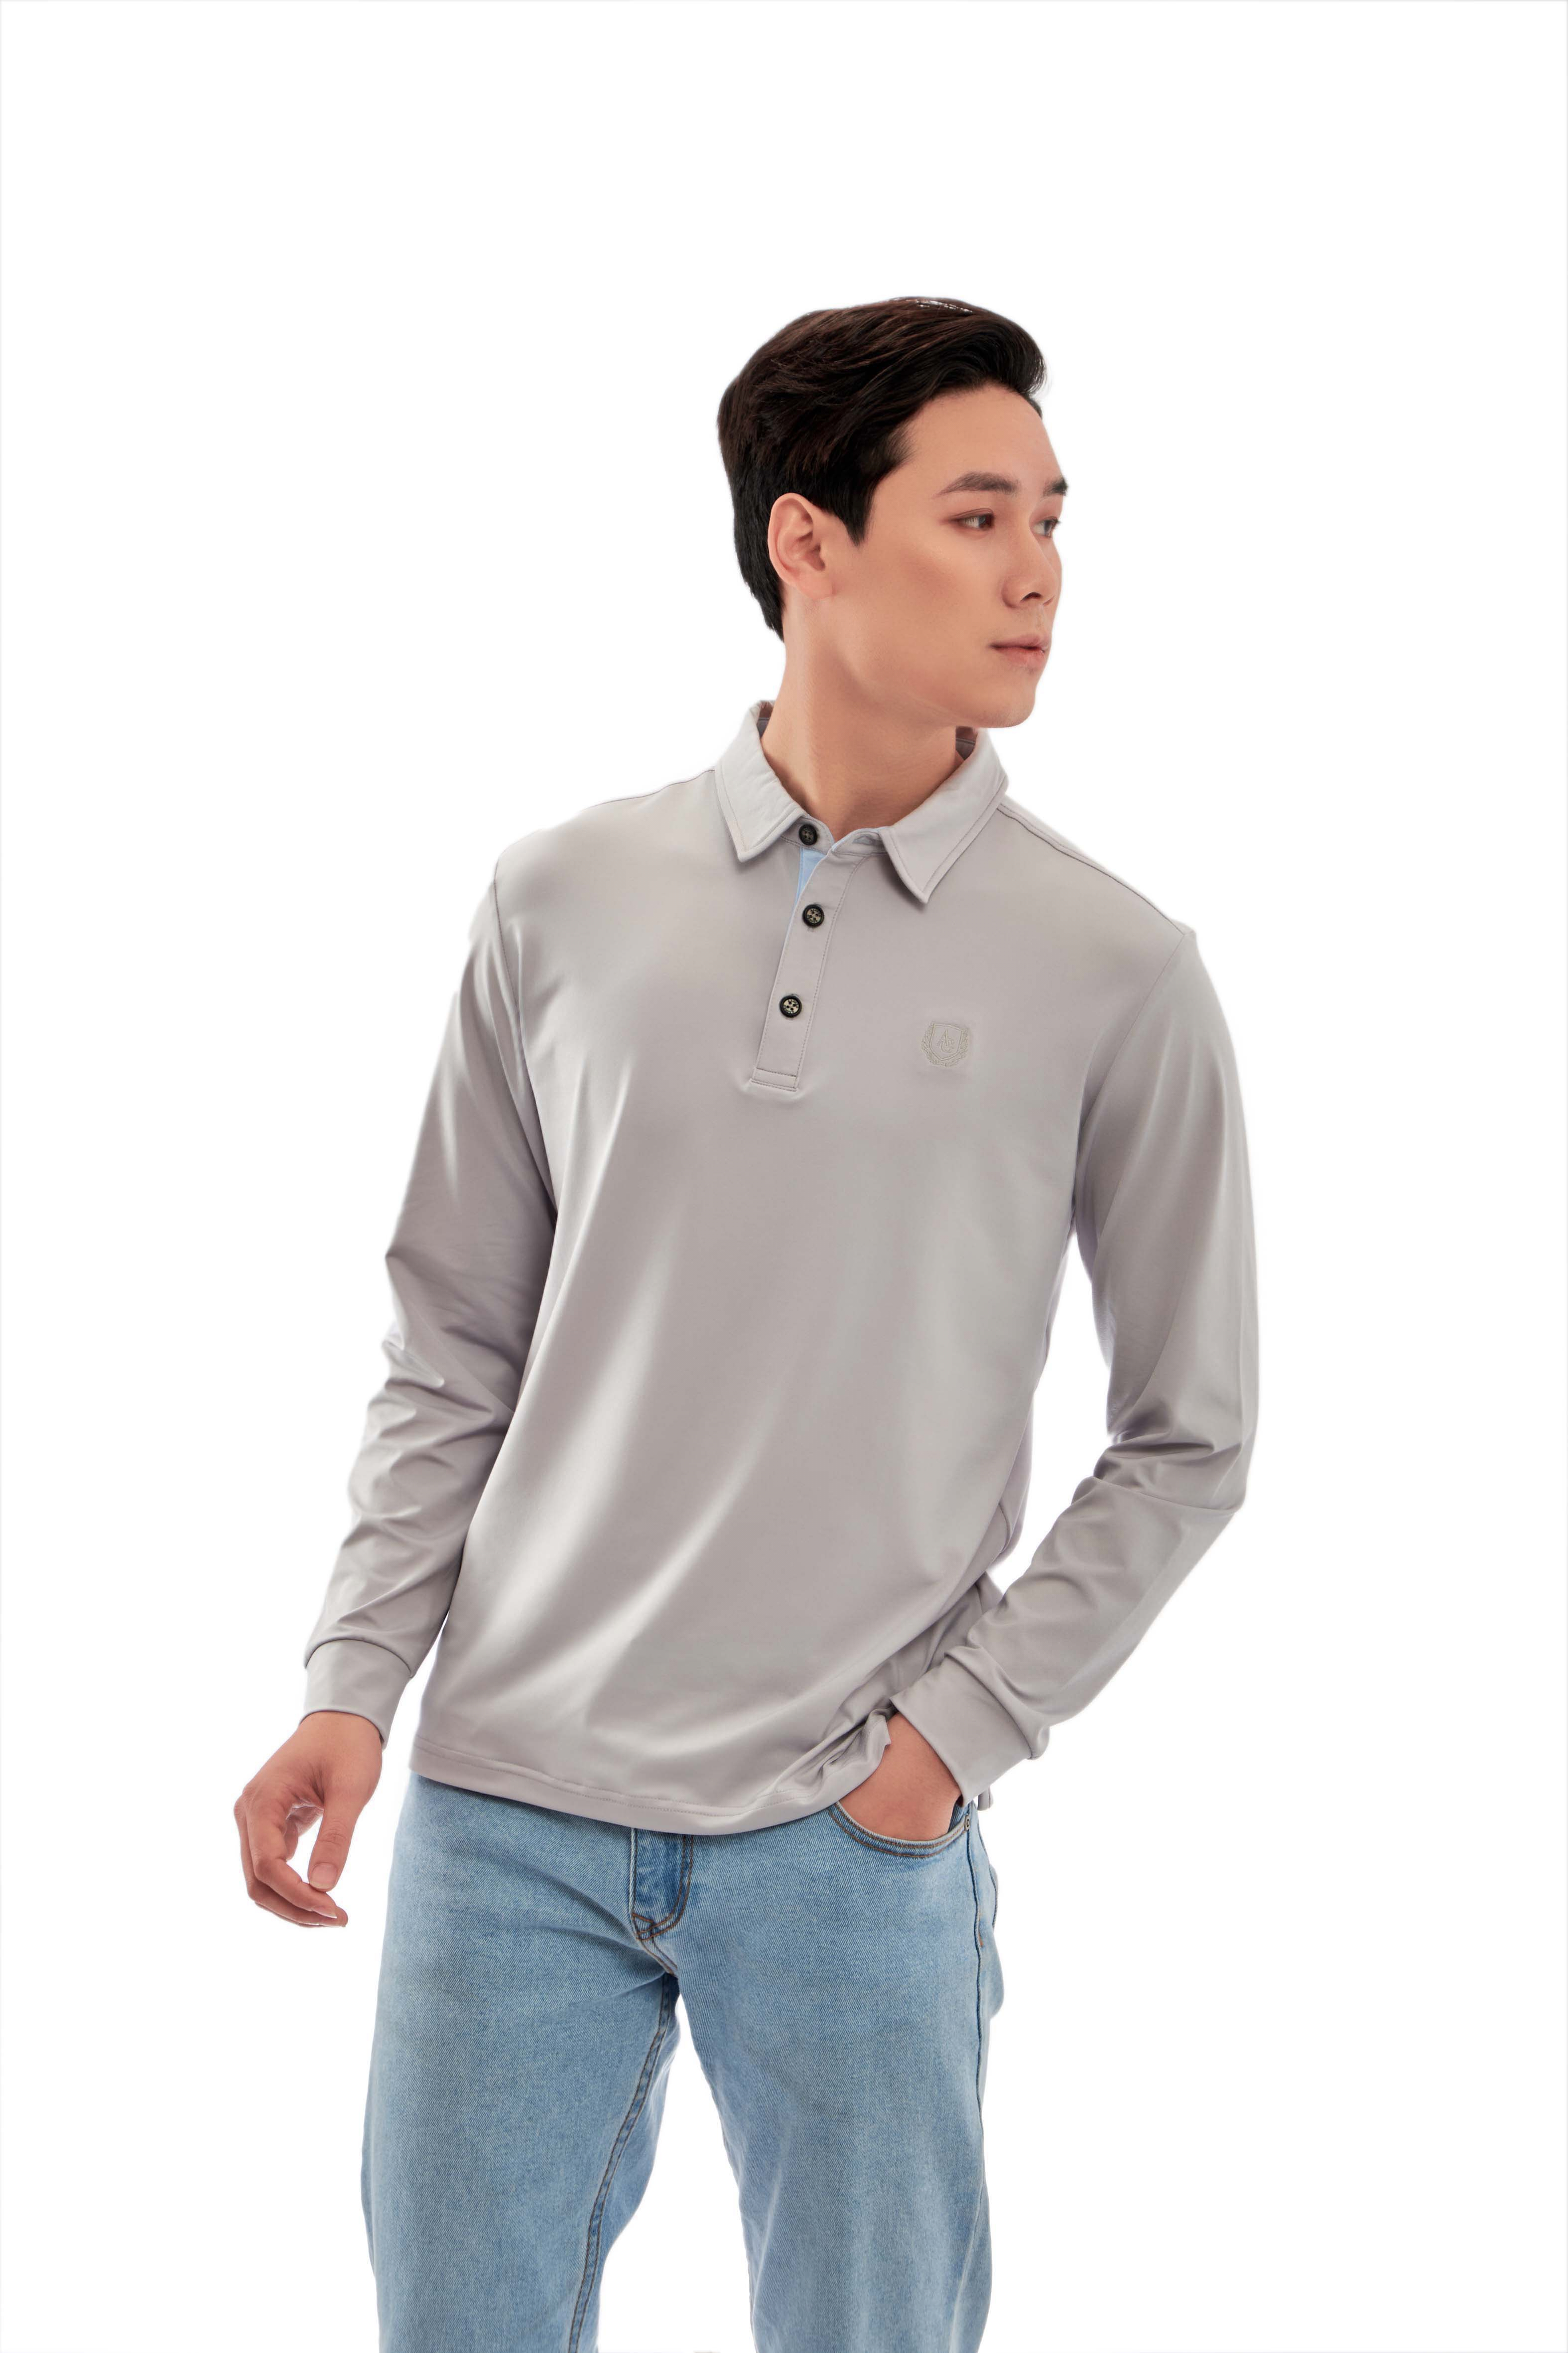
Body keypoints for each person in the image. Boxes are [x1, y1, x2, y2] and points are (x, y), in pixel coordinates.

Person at [235, 293, 1259, 2353]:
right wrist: (356, 1678)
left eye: (1053, 517)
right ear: (809, 541)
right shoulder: (558, 897)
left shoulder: (1115, 965)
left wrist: (949, 1742)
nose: (1039, 571)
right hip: (506, 1807)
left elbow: (1189, 1431)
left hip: (844, 1829)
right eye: (976, 515)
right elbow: (454, 1338)